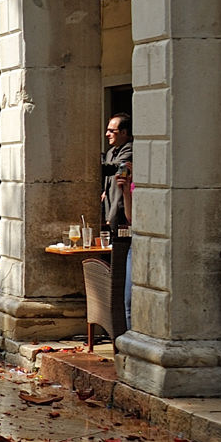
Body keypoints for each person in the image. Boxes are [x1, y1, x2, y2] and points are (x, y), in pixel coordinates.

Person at [101, 113, 133, 328]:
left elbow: (118, 171)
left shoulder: (130, 150)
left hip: (122, 217)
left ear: (124, 133)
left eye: (112, 131)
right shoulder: (113, 151)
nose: (107, 134)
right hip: (109, 211)